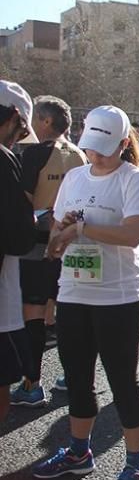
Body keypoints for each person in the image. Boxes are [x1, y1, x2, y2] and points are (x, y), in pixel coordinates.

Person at [32, 106, 139, 480]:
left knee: (123, 380)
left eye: (104, 149)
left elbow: (133, 234)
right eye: (91, 148)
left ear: (122, 144)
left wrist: (83, 228)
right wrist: (61, 232)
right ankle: (78, 451)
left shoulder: (133, 180)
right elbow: (54, 235)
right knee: (77, 378)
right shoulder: (73, 177)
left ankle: (136, 467)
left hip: (118, 297)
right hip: (73, 293)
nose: (96, 157)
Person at [12, 95, 85, 408]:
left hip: (39, 245)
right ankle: (73, 376)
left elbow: (24, 201)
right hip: (76, 242)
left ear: (44, 121)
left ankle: (32, 382)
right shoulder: (81, 154)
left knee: (35, 311)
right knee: (67, 311)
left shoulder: (36, 154)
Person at [0, 81, 41, 424]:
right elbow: (17, 238)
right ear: (13, 116)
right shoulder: (3, 159)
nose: (18, 138)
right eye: (21, 129)